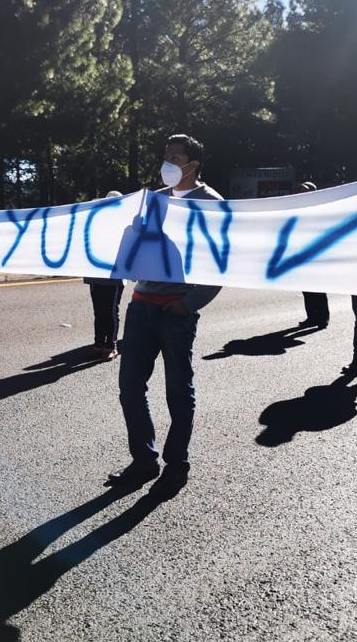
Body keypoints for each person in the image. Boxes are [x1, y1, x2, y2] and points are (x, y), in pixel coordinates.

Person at [108, 134, 223, 499]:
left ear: (194, 164)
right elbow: (133, 242)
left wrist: (189, 304)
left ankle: (176, 465)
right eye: (166, 155)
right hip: (141, 305)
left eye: (176, 156)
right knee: (130, 387)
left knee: (178, 390)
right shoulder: (152, 202)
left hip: (176, 310)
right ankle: (144, 460)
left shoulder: (212, 204)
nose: (168, 162)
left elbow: (221, 262)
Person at [84, 191, 126, 361]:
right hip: (95, 276)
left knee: (110, 311)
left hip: (114, 277)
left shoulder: (121, 225)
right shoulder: (96, 223)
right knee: (99, 311)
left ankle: (111, 346)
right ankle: (99, 343)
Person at [296, 181, 330, 329]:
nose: (301, 193)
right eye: (300, 191)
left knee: (318, 288)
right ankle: (311, 317)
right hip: (302, 256)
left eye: (304, 191)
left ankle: (323, 318)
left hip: (316, 256)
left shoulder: (319, 209)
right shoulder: (298, 210)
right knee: (307, 289)